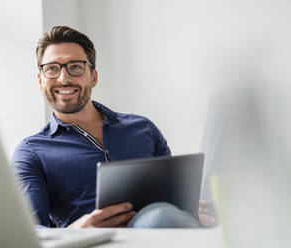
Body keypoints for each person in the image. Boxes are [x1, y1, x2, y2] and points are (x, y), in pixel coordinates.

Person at [12, 26, 216, 228]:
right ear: (40, 80)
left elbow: (174, 197)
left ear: (93, 77)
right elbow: (30, 233)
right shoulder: (30, 152)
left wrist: (191, 211)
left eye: (75, 67)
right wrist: (79, 231)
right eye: (52, 69)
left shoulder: (142, 128)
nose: (64, 79)